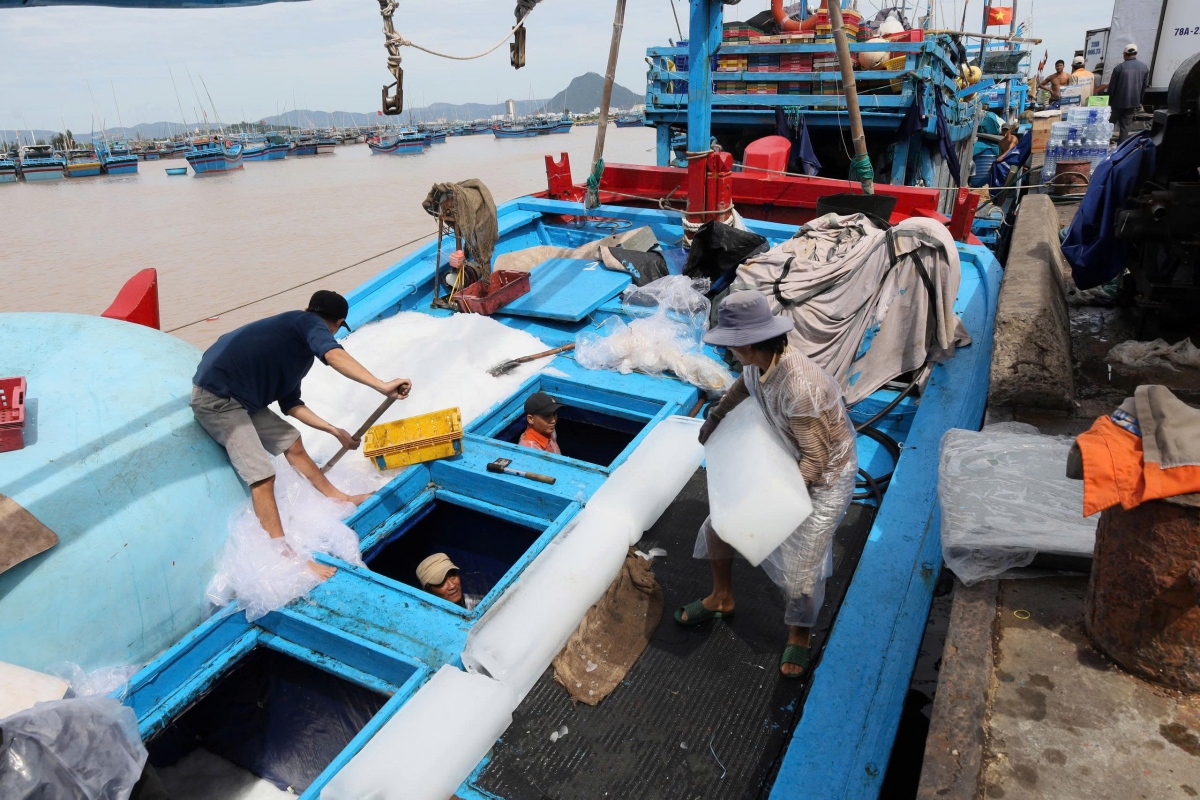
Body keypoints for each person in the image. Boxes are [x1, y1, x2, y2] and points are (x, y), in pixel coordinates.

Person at [674, 291, 858, 679]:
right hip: (786, 456)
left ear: (748, 344)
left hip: (824, 476)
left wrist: (775, 505)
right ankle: (722, 597)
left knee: (802, 569)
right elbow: (743, 387)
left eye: (730, 343)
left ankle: (800, 633)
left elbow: (817, 460)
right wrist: (717, 417)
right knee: (719, 528)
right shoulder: (758, 365)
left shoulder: (799, 386)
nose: (728, 351)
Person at [191, 290, 410, 579]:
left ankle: (339, 497)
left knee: (292, 441)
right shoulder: (306, 323)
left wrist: (335, 431)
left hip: (242, 397)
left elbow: (291, 405)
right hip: (218, 399)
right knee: (263, 475)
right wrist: (380, 384)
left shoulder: (296, 345)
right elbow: (333, 354)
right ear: (337, 323)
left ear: (309, 306)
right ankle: (284, 556)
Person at [1099, 43, 1150, 143]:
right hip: (1132, 102)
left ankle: (1103, 143)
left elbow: (1112, 87)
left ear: (1125, 54)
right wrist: (1139, 100)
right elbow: (1144, 86)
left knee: (1109, 124)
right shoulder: (1144, 67)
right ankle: (1121, 149)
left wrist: (1109, 102)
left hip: (1117, 102)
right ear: (1136, 53)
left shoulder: (1119, 68)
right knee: (1125, 127)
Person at [416, 553, 483, 610]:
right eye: (441, 582)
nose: (452, 586)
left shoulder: (481, 605)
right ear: (427, 591)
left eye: (452, 575)